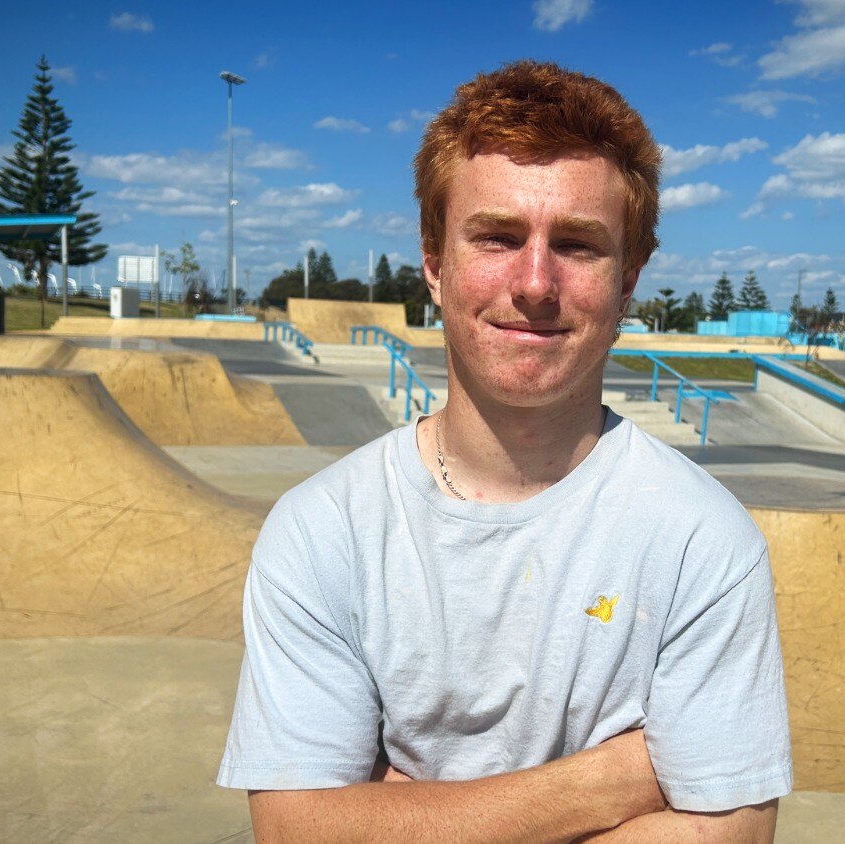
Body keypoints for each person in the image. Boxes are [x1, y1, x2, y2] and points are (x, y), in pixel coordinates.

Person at [219, 60, 791, 842]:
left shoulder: (703, 543)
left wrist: (398, 815)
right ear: (434, 261)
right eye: (497, 236)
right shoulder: (323, 531)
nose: (534, 282)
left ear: (629, 282)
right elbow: (295, 832)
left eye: (580, 245)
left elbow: (728, 835)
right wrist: (615, 780)